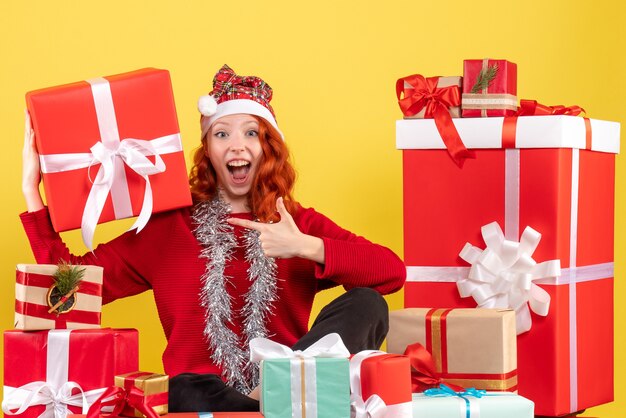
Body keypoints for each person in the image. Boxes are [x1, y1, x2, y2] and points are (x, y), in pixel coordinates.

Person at [20, 64, 406, 412]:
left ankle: (277, 387)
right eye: (222, 134)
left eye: (251, 133)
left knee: (368, 302)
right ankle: (264, 401)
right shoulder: (167, 227)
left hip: (291, 387)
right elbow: (66, 290)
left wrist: (305, 246)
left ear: (268, 148)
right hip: (204, 399)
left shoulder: (297, 221)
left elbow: (391, 273)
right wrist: (32, 193)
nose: (237, 146)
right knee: (179, 389)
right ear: (208, 151)